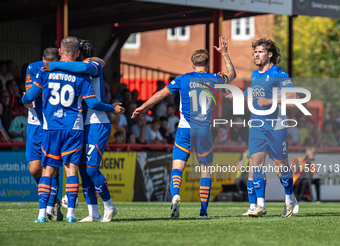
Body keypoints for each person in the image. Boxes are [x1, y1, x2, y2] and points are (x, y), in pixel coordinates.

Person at [132, 36, 236, 218]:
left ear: (192, 64)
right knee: (205, 169)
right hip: (203, 129)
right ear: (208, 64)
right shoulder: (215, 78)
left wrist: (144, 106)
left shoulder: (183, 79)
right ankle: (203, 212)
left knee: (177, 166)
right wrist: (225, 54)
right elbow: (232, 74)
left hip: (184, 128)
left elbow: (161, 94)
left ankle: (175, 196)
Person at [22, 36, 122, 223]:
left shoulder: (90, 67)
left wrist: (55, 66)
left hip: (93, 123)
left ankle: (108, 206)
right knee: (79, 170)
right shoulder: (78, 73)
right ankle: (90, 213)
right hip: (77, 126)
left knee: (83, 169)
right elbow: (89, 97)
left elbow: (29, 97)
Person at [224, 38, 298, 218]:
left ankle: (289, 200)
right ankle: (260, 205)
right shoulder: (255, 75)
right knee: (255, 164)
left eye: (260, 51)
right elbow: (251, 94)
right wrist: (236, 96)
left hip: (276, 126)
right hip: (257, 125)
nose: (256, 55)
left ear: (270, 54)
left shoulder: (279, 74)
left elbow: (295, 97)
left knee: (281, 167)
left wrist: (270, 101)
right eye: (255, 52)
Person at [24, 48, 63, 221]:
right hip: (34, 122)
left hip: (51, 123)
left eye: (55, 62)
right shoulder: (34, 68)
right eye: (49, 62)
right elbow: (29, 90)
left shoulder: (63, 69)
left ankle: (50, 205)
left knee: (52, 169)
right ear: (43, 60)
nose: (51, 65)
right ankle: (50, 199)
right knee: (34, 169)